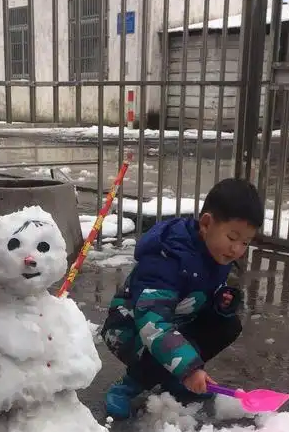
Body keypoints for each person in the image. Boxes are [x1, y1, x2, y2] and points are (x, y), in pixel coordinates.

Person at [101, 177, 264, 418]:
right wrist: (189, 369)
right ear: (207, 224)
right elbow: (153, 325)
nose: (237, 250)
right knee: (163, 342)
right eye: (232, 238)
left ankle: (171, 377)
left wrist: (219, 303)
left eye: (245, 242)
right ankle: (128, 386)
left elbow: (195, 296)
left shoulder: (215, 251)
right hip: (130, 328)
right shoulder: (167, 258)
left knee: (226, 325)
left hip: (174, 322)